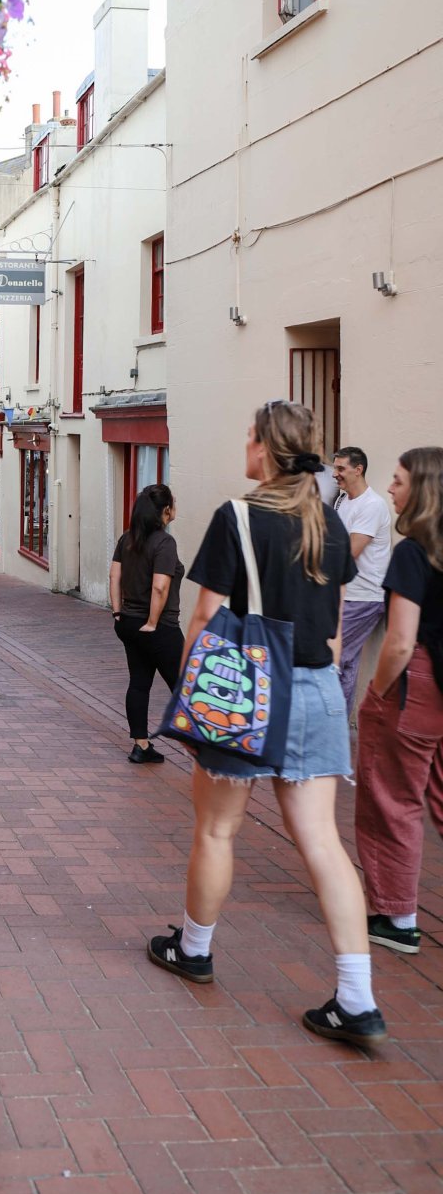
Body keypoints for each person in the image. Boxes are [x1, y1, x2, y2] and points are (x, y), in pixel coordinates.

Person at [147, 401, 387, 1049]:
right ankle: (357, 999)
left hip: (248, 687)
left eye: (250, 437)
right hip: (316, 689)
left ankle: (194, 949)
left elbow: (204, 618)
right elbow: (334, 629)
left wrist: (193, 692)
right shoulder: (330, 524)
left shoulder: (238, 516)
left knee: (217, 829)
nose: (245, 445)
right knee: (323, 843)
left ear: (265, 450)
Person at [355, 447, 443, 957]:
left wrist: (378, 693)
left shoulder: (413, 553)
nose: (390, 488)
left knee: (392, 800)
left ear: (423, 491)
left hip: (415, 688)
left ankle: (397, 918)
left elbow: (401, 640)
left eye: (398, 480)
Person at [109, 484, 184, 765]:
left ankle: (141, 745)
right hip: (160, 627)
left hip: (129, 623)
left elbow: (114, 577)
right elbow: (160, 587)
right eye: (173, 503)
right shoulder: (165, 543)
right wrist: (153, 622)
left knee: (139, 683)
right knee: (185, 687)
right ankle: (205, 750)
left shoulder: (126, 539)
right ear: (165, 511)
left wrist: (118, 613)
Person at [332, 446, 393, 716]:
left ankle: (332, 726)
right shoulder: (343, 501)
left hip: (364, 597)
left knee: (333, 660)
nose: (335, 474)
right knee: (346, 663)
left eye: (341, 468)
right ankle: (340, 728)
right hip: (348, 594)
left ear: (358, 469)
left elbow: (349, 553)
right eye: (334, 468)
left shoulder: (372, 505)